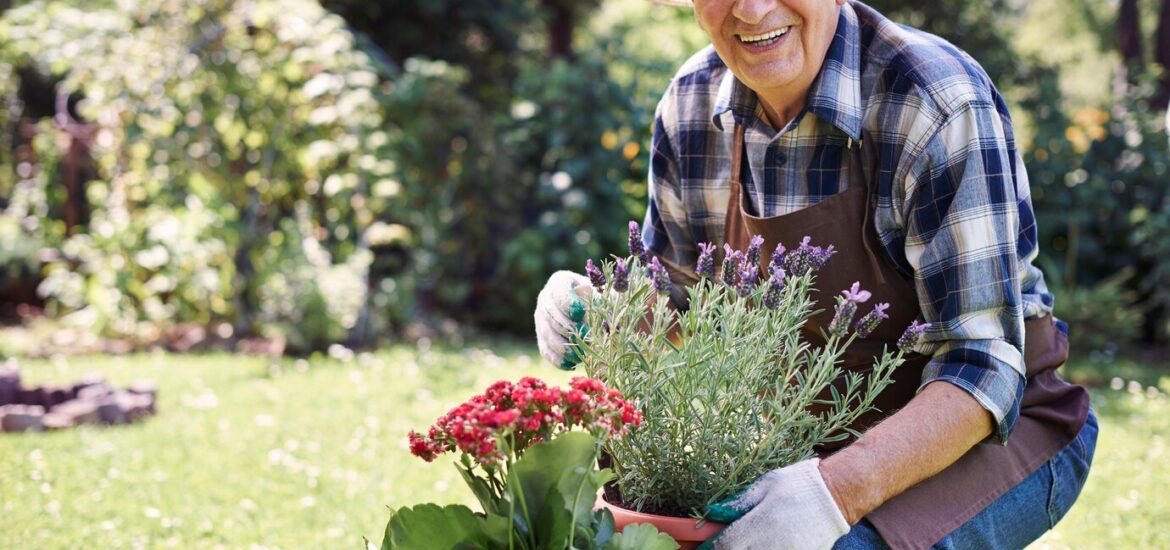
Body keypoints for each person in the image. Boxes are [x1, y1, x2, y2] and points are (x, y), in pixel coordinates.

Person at [534, 1, 1096, 548]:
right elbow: (679, 311)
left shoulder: (934, 99)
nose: (751, 11)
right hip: (801, 443)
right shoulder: (691, 104)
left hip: (996, 430)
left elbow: (982, 365)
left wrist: (833, 495)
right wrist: (602, 308)